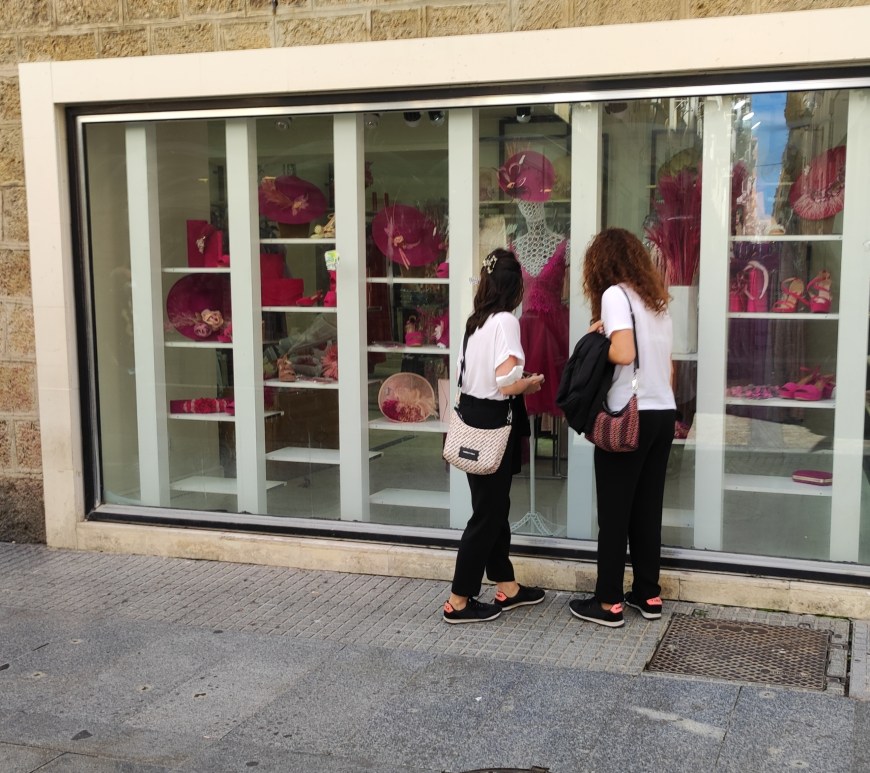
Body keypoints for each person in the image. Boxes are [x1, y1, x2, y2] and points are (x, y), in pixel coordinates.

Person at [569, 228, 676, 628]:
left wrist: (596, 338)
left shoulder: (615, 295)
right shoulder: (656, 301)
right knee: (648, 509)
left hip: (628, 416)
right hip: (663, 411)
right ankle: (648, 594)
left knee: (614, 513)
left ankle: (608, 601)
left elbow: (624, 352)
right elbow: (668, 366)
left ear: (601, 265)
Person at [443, 248, 547, 623]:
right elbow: (505, 383)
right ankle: (458, 599)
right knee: (487, 515)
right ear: (514, 286)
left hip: (473, 415)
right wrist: (529, 384)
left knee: (494, 507)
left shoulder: (476, 322)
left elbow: (469, 374)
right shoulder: (505, 321)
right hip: (494, 421)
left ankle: (508, 586)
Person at [513, 199, 570, 417]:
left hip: (555, 331)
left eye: (534, 202)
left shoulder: (564, 246)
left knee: (554, 387)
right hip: (527, 330)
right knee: (525, 396)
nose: (530, 208)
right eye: (524, 203)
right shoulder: (515, 248)